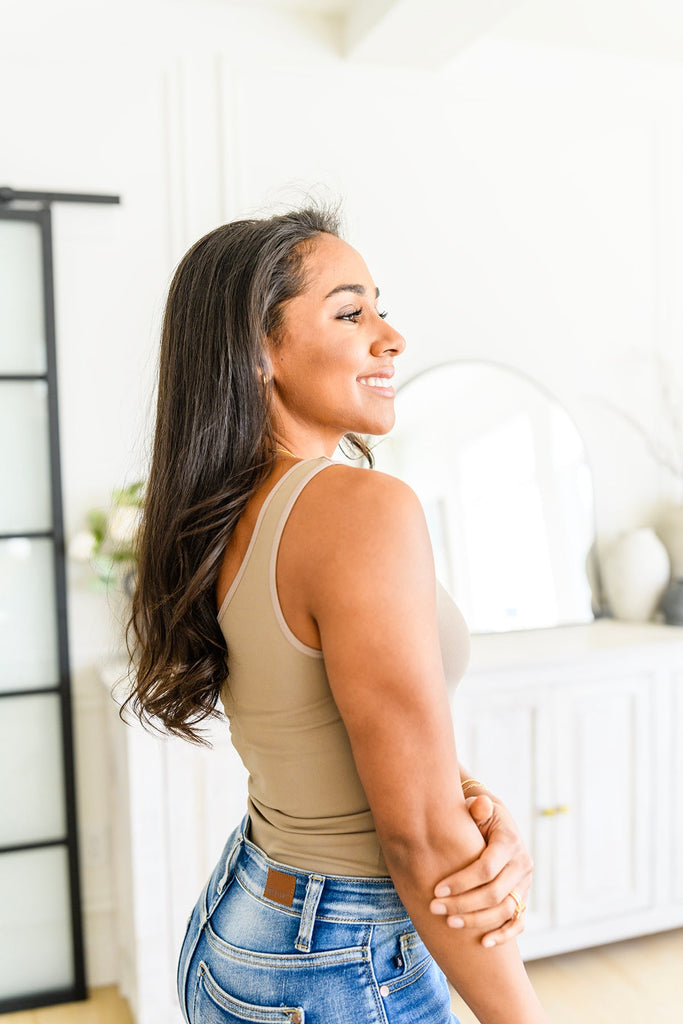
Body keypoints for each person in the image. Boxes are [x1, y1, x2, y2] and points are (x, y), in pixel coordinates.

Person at [125, 206, 547, 1023]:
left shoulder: (223, 506)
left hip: (244, 918)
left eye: (381, 308)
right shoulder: (359, 509)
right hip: (339, 956)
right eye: (351, 312)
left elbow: (309, 711)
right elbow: (418, 841)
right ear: (257, 351)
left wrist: (452, 786)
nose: (389, 337)